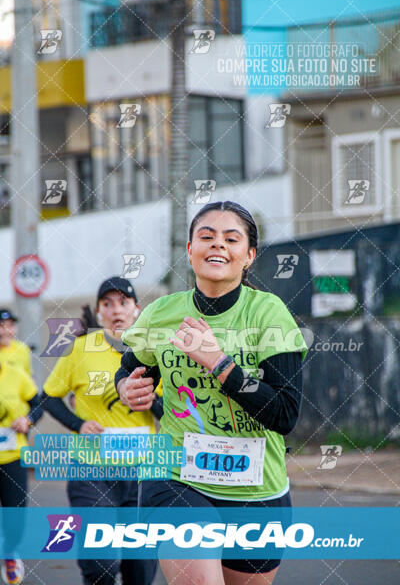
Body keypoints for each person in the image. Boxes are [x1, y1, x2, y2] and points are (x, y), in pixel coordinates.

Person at [115, 201, 308, 585]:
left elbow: (284, 413)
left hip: (257, 489)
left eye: (231, 239)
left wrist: (220, 363)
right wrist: (126, 386)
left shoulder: (269, 315)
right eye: (206, 236)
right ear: (190, 250)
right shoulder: (161, 313)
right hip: (175, 477)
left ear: (248, 256)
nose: (217, 245)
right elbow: (130, 366)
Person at [42, 277, 161, 585]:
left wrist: (148, 399)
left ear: (136, 310)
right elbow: (49, 397)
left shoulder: (152, 351)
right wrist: (78, 424)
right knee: (100, 563)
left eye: (123, 302)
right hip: (90, 469)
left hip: (142, 469)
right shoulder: (80, 349)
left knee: (140, 566)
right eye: (107, 304)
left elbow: (175, 409)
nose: (115, 310)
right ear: (98, 312)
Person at [0, 358, 42, 585]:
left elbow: (39, 403)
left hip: (12, 457)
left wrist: (28, 419)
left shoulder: (16, 375)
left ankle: (10, 552)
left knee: (15, 514)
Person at [0, 309, 32, 375]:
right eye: (2, 326)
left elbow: (28, 377)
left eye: (10, 326)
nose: (7, 331)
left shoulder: (22, 349)